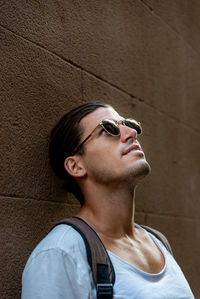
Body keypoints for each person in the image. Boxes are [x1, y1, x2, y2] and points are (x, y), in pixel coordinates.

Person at [22, 102, 194, 298]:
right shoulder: (60, 254)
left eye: (129, 124)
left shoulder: (158, 243)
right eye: (109, 129)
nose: (130, 133)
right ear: (76, 166)